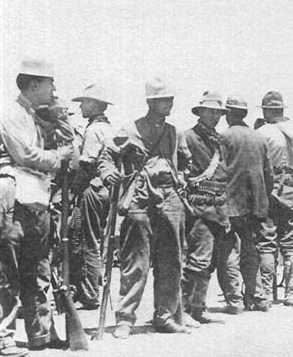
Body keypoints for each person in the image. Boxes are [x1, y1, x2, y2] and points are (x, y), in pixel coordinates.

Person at [98, 78, 192, 338]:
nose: (170, 104)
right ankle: (125, 319)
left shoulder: (174, 133)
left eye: (171, 99)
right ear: (151, 102)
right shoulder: (130, 130)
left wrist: (181, 178)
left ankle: (165, 316)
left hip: (170, 200)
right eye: (164, 100)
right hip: (140, 199)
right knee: (135, 262)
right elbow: (106, 156)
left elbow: (186, 161)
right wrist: (108, 173)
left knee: (171, 261)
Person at [0, 59, 74, 356]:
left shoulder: (38, 117)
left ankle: (41, 333)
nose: (54, 89)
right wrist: (57, 156)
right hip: (12, 194)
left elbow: (72, 154)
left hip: (37, 196)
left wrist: (61, 117)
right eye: (51, 83)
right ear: (34, 84)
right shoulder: (10, 114)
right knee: (7, 270)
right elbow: (25, 155)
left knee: (38, 268)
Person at [181, 92, 243, 323]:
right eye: (210, 112)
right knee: (197, 261)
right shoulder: (188, 137)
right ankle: (184, 309)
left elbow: (223, 174)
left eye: (218, 113)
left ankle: (198, 307)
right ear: (200, 112)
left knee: (208, 263)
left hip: (218, 208)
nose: (215, 116)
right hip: (199, 208)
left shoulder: (218, 139)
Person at [256, 91, 293, 307]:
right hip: (291, 191)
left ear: (266, 111)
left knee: (266, 242)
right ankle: (292, 293)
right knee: (290, 243)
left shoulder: (261, 133)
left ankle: (266, 293)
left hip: (268, 191)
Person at [220, 96, 273, 312]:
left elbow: (219, 172)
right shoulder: (259, 138)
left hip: (230, 204)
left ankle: (235, 300)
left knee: (229, 251)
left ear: (228, 114)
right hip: (255, 205)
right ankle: (258, 297)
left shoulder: (224, 137)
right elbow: (269, 175)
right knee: (251, 249)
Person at [68, 83, 115, 310]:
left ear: (95, 105)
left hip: (92, 188)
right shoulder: (108, 128)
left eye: (85, 102)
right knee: (95, 239)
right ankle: (90, 289)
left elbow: (87, 166)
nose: (81, 107)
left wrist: (74, 191)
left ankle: (89, 295)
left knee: (88, 241)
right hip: (105, 190)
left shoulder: (93, 130)